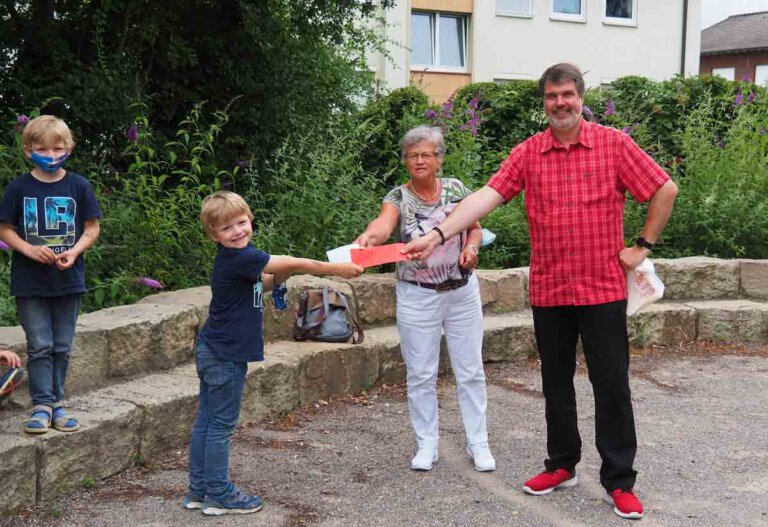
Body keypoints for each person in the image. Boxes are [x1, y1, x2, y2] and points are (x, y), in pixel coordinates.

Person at [402, 64, 678, 520]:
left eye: (567, 94)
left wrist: (643, 245)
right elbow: (485, 197)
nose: (560, 103)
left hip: (602, 288)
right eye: (552, 96)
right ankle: (562, 465)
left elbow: (664, 188)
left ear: (581, 97)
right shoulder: (529, 152)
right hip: (550, 289)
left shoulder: (613, 144)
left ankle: (619, 480)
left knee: (612, 386)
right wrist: (436, 235)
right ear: (544, 102)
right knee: (555, 384)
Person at [184, 190, 363, 516]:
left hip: (214, 349)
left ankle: (199, 490)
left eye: (241, 222)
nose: (237, 231)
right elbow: (294, 262)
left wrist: (280, 277)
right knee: (220, 426)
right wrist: (337, 270)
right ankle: (218, 493)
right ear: (214, 234)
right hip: (225, 355)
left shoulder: (241, 259)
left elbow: (263, 282)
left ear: (250, 219)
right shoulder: (240, 258)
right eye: (227, 228)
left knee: (207, 422)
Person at [354, 125, 496, 473]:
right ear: (405, 161)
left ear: (439, 159)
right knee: (420, 373)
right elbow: (383, 224)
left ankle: (478, 443)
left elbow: (474, 226)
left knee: (471, 371)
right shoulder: (397, 198)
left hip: (462, 292)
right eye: (413, 155)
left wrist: (472, 247)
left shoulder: (456, 189)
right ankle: (426, 444)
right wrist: (369, 238)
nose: (420, 160)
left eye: (426, 154)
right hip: (417, 297)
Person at [0, 115, 101, 434]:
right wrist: (29, 250)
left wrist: (74, 252)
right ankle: (42, 405)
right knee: (40, 344)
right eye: (43, 148)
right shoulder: (18, 187)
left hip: (68, 281)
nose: (52, 154)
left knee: (62, 345)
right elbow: (5, 229)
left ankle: (57, 403)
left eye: (58, 148)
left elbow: (92, 228)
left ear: (69, 148)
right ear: (29, 150)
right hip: (30, 283)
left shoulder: (79, 185)